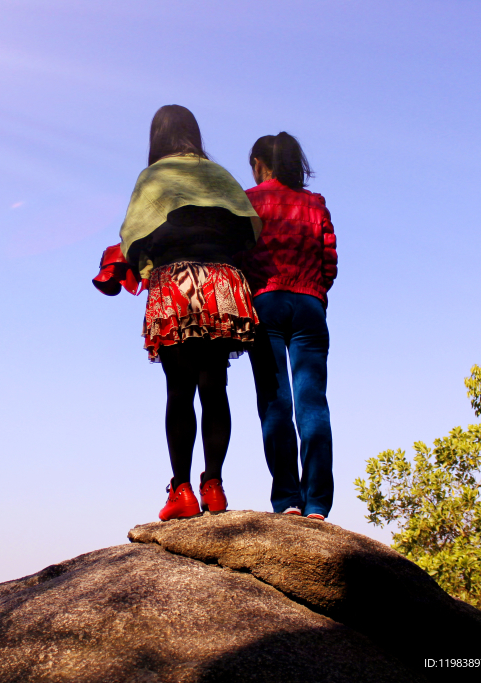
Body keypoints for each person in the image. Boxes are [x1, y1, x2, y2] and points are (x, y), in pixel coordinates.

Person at [119, 105, 262, 521]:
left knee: (179, 391)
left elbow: (133, 239)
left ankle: (181, 490)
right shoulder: (218, 175)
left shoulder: (154, 177)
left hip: (177, 283)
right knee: (214, 387)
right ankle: (213, 485)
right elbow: (249, 229)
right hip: (221, 281)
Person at [241, 132, 337, 520]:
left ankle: (288, 500)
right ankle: (317, 504)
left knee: (275, 404)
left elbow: (241, 256)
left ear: (260, 165)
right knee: (313, 404)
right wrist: (313, 290)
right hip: (310, 306)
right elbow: (330, 261)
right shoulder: (315, 204)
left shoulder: (249, 201)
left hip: (266, 302)